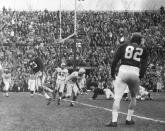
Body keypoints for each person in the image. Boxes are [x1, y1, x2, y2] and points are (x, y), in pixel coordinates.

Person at [106, 33, 149, 127]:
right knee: (133, 98)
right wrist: (140, 76)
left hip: (123, 71)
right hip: (135, 72)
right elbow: (144, 65)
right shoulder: (143, 50)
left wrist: (112, 73)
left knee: (117, 98)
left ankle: (114, 121)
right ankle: (128, 119)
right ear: (139, 40)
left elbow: (114, 61)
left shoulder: (123, 46)